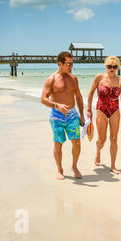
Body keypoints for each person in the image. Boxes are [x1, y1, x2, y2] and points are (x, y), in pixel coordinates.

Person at [41, 51, 85, 180]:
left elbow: (79, 97)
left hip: (72, 115)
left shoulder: (73, 78)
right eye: (68, 64)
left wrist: (82, 114)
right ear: (59, 63)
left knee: (76, 142)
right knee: (58, 143)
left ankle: (74, 166)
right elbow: (43, 99)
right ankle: (59, 169)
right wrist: (57, 105)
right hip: (57, 116)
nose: (71, 66)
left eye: (72, 63)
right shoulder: (51, 79)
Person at [86, 56, 121, 175]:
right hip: (101, 110)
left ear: (117, 67)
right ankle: (98, 152)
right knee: (102, 139)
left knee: (114, 139)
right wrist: (89, 109)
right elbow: (90, 93)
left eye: (114, 67)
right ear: (106, 66)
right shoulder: (99, 77)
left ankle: (113, 166)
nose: (112, 69)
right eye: (109, 66)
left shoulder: (120, 80)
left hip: (115, 110)